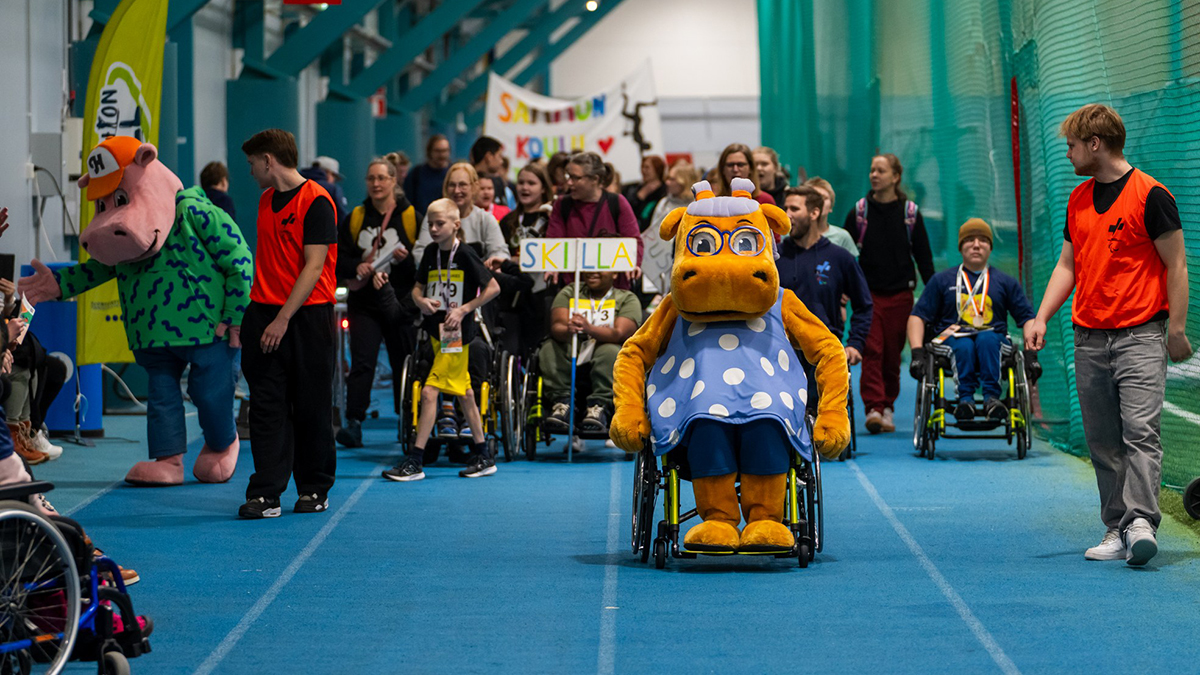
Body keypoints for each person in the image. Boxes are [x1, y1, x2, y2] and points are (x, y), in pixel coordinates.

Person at [1027, 104, 1191, 567]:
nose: (1068, 153)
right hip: (1089, 339)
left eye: (1073, 145)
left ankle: (1141, 522)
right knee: (1102, 439)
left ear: (1094, 144)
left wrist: (1176, 328)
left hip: (1141, 334)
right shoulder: (1077, 199)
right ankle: (1116, 526)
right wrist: (1040, 316)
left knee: (1141, 431)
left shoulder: (1151, 195)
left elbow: (1176, 264)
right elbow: (1067, 265)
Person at [238, 129, 338, 520]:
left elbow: (314, 266)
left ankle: (314, 487)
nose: (250, 172)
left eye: (252, 163)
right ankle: (266, 492)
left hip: (306, 316)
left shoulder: (317, 201)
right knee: (266, 406)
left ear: (268, 160)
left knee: (311, 404)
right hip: (263, 312)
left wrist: (283, 318)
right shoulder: (265, 200)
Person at [383, 198, 501, 482]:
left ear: (456, 225)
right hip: (436, 335)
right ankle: (484, 455)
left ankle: (415, 460)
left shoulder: (467, 255)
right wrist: (421, 301)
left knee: (428, 393)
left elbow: (493, 287)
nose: (434, 229)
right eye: (430, 224)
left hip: (458, 337)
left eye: (440, 224)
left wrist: (463, 309)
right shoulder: (431, 254)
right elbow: (416, 290)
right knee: (466, 395)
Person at [843, 153, 935, 434]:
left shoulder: (910, 214)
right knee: (872, 349)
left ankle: (888, 408)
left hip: (900, 296)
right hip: (867, 296)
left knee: (892, 354)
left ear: (895, 177)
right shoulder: (859, 213)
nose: (874, 175)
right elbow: (845, 257)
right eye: (872, 170)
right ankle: (873, 406)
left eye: (881, 170)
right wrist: (844, 290)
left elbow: (924, 258)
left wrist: (934, 297)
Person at [908, 219, 1036, 420]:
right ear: (960, 247)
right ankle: (965, 399)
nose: (976, 245)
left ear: (990, 247)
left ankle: (992, 399)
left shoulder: (1005, 282)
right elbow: (918, 316)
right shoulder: (942, 280)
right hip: (952, 339)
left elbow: (1028, 318)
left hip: (993, 340)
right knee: (964, 344)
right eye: (969, 240)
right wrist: (916, 352)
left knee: (987, 339)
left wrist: (1031, 354)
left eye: (983, 240)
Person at [335, 158, 420, 448]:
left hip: (400, 302)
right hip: (365, 303)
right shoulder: (356, 217)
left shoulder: (411, 217)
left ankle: (406, 419)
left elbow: (423, 265)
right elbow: (338, 259)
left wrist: (406, 261)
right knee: (361, 362)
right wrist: (356, 265)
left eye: (382, 178)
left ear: (394, 180)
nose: (376, 184)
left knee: (403, 362)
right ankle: (354, 422)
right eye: (371, 178)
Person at [776, 186, 872, 415]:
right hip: (781, 344)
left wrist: (855, 344)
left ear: (814, 213)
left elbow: (863, 304)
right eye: (785, 207)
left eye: (794, 208)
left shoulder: (840, 257)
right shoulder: (773, 257)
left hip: (825, 346)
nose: (787, 213)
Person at [540, 270, 641, 435]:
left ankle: (598, 407)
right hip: (572, 348)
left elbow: (619, 333)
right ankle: (562, 403)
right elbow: (556, 326)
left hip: (606, 350)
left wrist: (589, 329)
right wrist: (568, 329)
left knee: (611, 351)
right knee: (549, 347)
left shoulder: (627, 298)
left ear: (615, 274)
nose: (592, 272)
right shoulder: (570, 291)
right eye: (589, 267)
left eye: (600, 267)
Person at [545, 152, 643, 289]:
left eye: (575, 178)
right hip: (573, 288)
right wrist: (552, 265)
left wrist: (633, 264)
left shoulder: (617, 202)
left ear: (595, 179)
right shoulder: (562, 204)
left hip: (612, 289)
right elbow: (553, 242)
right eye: (568, 176)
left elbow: (634, 242)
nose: (569, 182)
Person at [498, 163, 555, 355]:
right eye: (521, 182)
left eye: (531, 183)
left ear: (543, 188)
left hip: (541, 291)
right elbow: (500, 253)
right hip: (513, 293)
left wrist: (553, 218)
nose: (525, 187)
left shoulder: (552, 220)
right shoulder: (508, 221)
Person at [412, 163, 508, 268]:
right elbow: (420, 252)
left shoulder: (486, 219)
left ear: (474, 187)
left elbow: (500, 253)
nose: (457, 190)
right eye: (452, 185)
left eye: (462, 185)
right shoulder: (433, 216)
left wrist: (491, 265)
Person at [643, 162, 701, 298]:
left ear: (684, 181)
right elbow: (653, 234)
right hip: (662, 263)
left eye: (672, 179)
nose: (667, 183)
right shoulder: (664, 203)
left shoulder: (697, 205)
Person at [805, 176, 858, 257]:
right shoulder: (791, 235)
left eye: (824, 198)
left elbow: (850, 267)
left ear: (831, 206)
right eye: (815, 197)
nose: (820, 202)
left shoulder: (843, 237)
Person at [403, 134, 452, 214]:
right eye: (438, 151)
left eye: (445, 151)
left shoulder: (453, 174)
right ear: (429, 152)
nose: (442, 155)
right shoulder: (416, 174)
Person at [621, 155, 667, 231]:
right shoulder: (635, 188)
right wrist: (640, 196)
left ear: (657, 169)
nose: (643, 170)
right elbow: (628, 211)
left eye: (647, 167)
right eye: (642, 167)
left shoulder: (664, 190)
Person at [470, 135, 514, 211]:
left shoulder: (498, 183)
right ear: (489, 157)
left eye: (489, 188)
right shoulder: (466, 181)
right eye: (500, 156)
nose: (501, 162)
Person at [300, 156, 349, 223]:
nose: (334, 180)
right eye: (334, 176)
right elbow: (342, 216)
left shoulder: (299, 184)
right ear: (328, 173)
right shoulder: (332, 189)